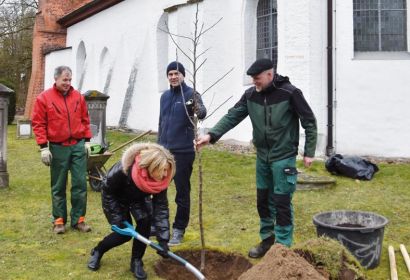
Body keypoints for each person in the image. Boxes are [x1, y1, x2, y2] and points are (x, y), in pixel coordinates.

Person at [196, 58, 317, 258]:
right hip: (262, 157)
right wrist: (211, 135)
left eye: (257, 78)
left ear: (270, 74)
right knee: (263, 200)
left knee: (282, 201)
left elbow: (309, 121)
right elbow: (233, 115)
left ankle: (282, 247)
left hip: (284, 157)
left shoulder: (290, 93)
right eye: (253, 79)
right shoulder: (251, 95)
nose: (255, 82)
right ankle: (268, 241)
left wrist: (309, 151)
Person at [87, 143, 176, 280]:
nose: (165, 174)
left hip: (139, 199)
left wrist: (163, 239)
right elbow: (108, 191)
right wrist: (117, 218)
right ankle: (98, 251)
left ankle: (136, 261)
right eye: (163, 170)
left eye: (167, 170)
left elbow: (161, 207)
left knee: (145, 223)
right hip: (116, 199)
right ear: (152, 166)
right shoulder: (123, 169)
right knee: (123, 234)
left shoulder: (161, 179)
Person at [32, 65, 93, 234]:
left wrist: (87, 141)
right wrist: (44, 147)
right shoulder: (44, 98)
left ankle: (79, 220)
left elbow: (85, 119)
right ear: (56, 79)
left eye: (70, 80)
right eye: (64, 80)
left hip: (78, 146)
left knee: (80, 183)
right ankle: (59, 220)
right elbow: (38, 123)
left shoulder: (78, 97)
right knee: (58, 185)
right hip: (58, 147)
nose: (67, 83)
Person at [158, 61, 207, 246]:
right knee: (158, 189)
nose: (173, 77)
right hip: (164, 151)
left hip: (184, 152)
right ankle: (160, 225)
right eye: (170, 74)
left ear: (183, 75)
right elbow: (161, 122)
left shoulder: (191, 94)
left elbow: (202, 113)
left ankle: (179, 229)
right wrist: (158, 147)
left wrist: (198, 108)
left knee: (182, 193)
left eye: (176, 73)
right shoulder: (164, 97)